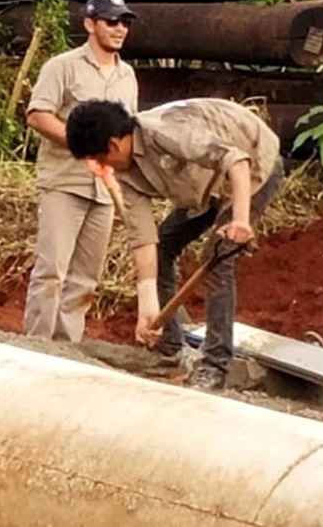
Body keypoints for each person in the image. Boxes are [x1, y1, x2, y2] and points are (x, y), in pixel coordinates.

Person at [65, 98, 284, 389]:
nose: (102, 168)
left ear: (114, 145)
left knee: (217, 257)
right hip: (205, 185)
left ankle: (216, 365)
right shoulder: (126, 174)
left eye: (100, 159)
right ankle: (169, 348)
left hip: (253, 167)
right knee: (164, 245)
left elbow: (237, 161)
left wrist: (240, 220)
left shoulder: (167, 133)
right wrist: (148, 309)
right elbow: (143, 238)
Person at [23, 0, 139, 341]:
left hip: (104, 189)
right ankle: (37, 344)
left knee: (86, 277)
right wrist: (82, 145)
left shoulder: (127, 75)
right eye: (111, 21)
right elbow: (38, 115)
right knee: (51, 271)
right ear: (90, 24)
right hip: (65, 181)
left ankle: (67, 347)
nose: (119, 29)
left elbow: (128, 130)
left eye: (124, 22)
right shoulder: (62, 66)